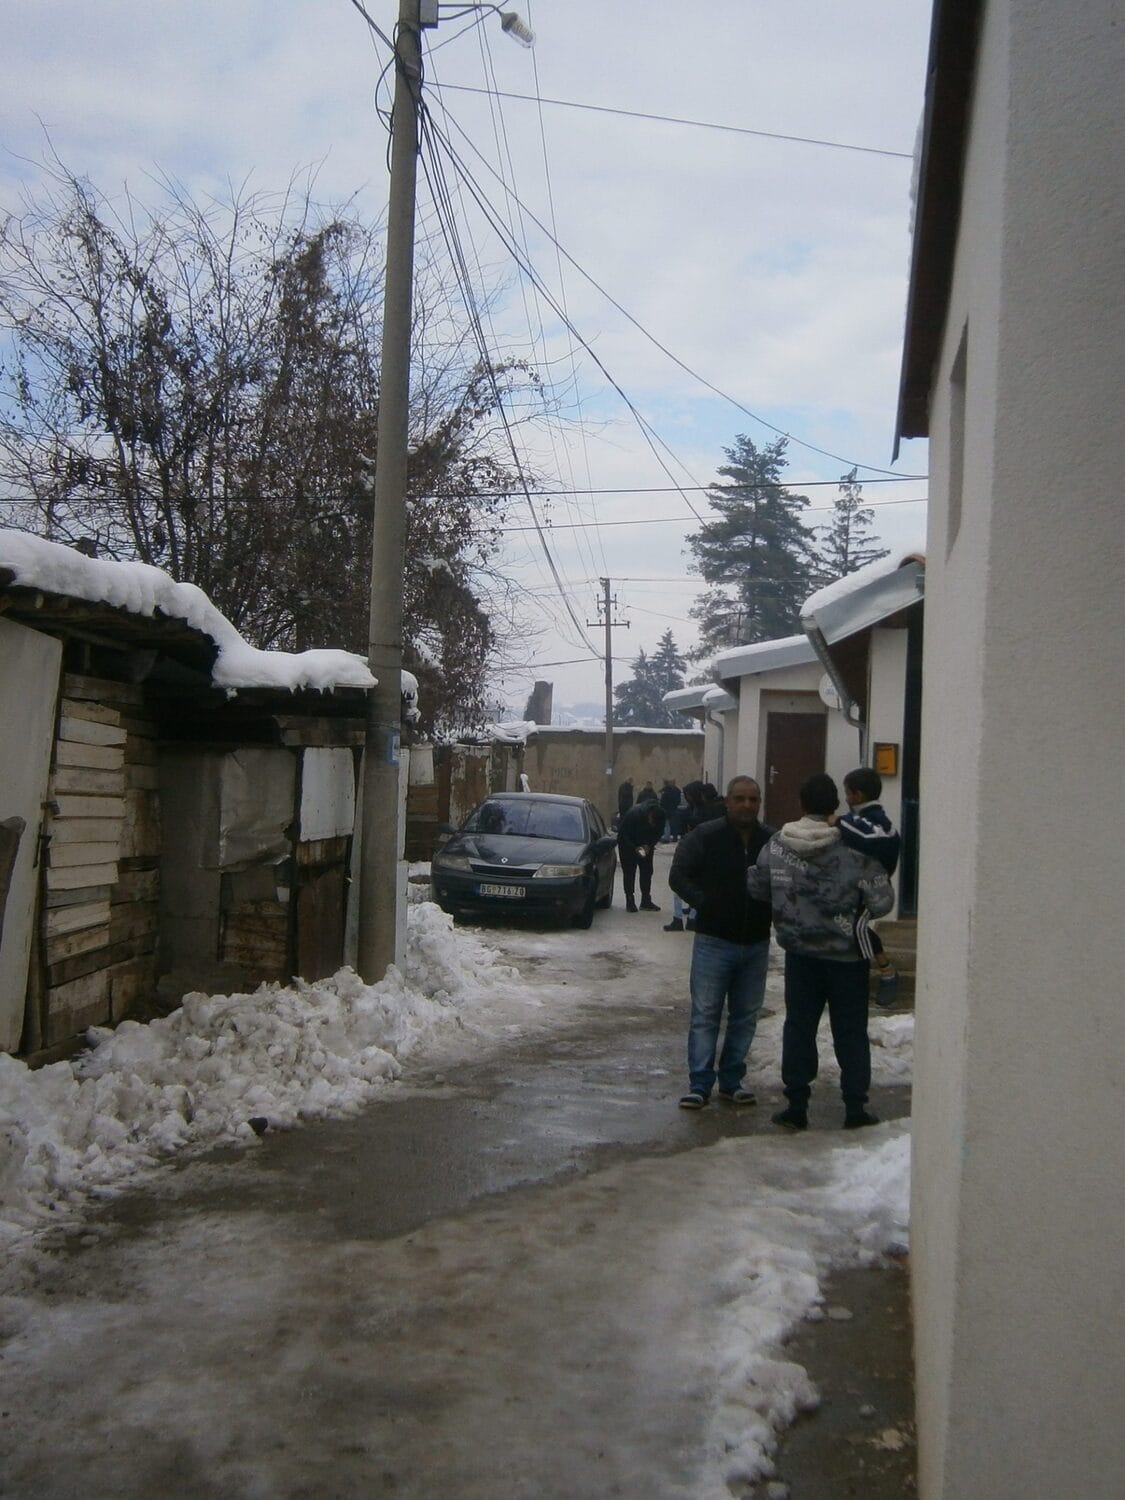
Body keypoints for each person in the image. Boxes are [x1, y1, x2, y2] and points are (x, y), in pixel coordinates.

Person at [748, 772, 894, 1131]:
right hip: (847, 959)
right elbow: (883, 901)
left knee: (799, 1028)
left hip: (800, 956)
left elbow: (757, 887)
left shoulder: (778, 845)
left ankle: (796, 1105)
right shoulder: (856, 850)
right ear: (836, 805)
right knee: (851, 1031)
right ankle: (855, 1108)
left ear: (801, 804)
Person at [669, 776, 773, 1109]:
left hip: (755, 942)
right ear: (727, 801)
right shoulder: (706, 836)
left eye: (753, 799)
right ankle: (699, 1084)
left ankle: (731, 1081)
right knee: (705, 1014)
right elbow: (678, 874)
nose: (747, 805)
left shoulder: (771, 842)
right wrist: (706, 903)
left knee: (745, 1016)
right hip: (714, 941)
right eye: (740, 798)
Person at [832, 767, 902, 1006]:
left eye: (848, 793)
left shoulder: (878, 822)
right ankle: (873, 971)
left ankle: (886, 972)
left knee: (857, 926)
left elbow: (874, 838)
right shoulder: (861, 820)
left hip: (875, 891)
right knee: (850, 924)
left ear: (858, 795)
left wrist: (838, 822)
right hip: (860, 888)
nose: (846, 799)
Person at [663, 780, 723, 931]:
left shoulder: (705, 811)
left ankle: (682, 919)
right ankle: (690, 918)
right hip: (699, 852)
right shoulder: (703, 809)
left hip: (696, 852)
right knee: (695, 884)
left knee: (683, 883)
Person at [615, 799, 665, 912]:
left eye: (654, 824)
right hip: (628, 846)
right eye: (652, 821)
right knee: (629, 872)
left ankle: (646, 900)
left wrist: (650, 845)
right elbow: (623, 835)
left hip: (645, 846)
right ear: (649, 815)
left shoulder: (661, 817)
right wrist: (634, 848)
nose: (652, 824)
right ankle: (630, 900)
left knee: (647, 871)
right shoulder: (634, 814)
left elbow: (659, 832)